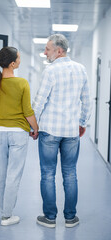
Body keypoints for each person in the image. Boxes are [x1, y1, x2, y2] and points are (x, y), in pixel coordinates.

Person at [32, 34, 92, 228]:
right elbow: (86, 101)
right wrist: (82, 123)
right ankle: (70, 218)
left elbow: (40, 101)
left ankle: (49, 218)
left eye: (47, 49)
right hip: (71, 131)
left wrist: (33, 126)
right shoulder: (81, 69)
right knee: (70, 174)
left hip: (49, 130)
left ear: (59, 50)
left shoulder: (50, 71)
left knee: (48, 174)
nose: (45, 52)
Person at [0, 47, 38, 226]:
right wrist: (36, 128)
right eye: (19, 58)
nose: (20, 61)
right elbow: (27, 111)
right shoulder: (22, 83)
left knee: (1, 174)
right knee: (13, 175)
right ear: (13, 63)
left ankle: (4, 213)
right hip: (18, 135)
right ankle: (7, 216)